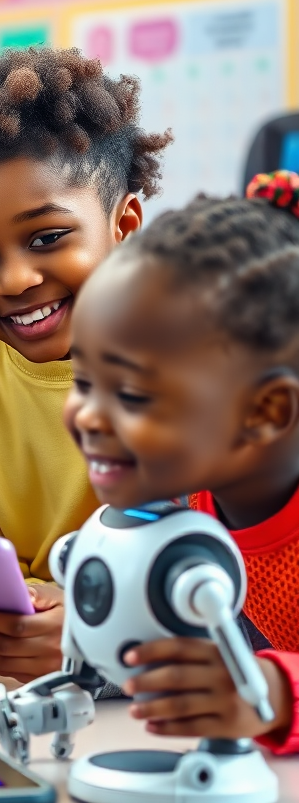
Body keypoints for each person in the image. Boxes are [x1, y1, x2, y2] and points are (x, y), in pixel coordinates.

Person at [0, 46, 172, 682]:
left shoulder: (204, 355)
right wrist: (19, 611)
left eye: (47, 238)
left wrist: (95, 624)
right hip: (21, 683)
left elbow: (213, 563)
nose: (15, 280)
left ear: (125, 223)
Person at [63, 175, 299, 753]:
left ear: (265, 412)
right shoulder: (192, 499)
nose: (89, 416)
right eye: (85, 381)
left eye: (134, 395)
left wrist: (275, 689)